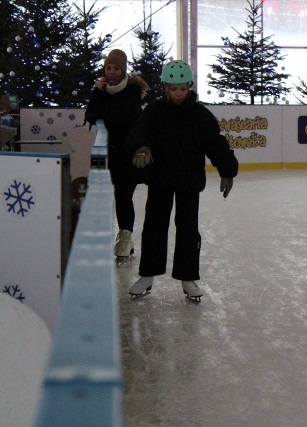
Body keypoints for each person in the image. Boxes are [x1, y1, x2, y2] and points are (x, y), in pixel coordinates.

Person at [125, 60, 238, 302]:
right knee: (154, 227)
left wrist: (227, 169)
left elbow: (215, 143)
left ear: (189, 88)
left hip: (189, 181)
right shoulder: (154, 111)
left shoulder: (200, 115)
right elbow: (139, 130)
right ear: (165, 87)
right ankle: (147, 275)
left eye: (183, 89)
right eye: (173, 89)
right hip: (160, 179)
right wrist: (141, 146)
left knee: (188, 229)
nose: (178, 94)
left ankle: (188, 278)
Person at [85, 49, 149, 261]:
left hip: (127, 153)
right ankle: (106, 236)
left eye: (116, 68)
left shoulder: (131, 91)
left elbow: (122, 116)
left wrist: (102, 110)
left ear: (123, 70)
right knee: (104, 196)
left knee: (123, 196)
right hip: (107, 154)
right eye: (108, 68)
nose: (111, 72)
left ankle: (125, 237)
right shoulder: (103, 90)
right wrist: (97, 92)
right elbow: (90, 115)